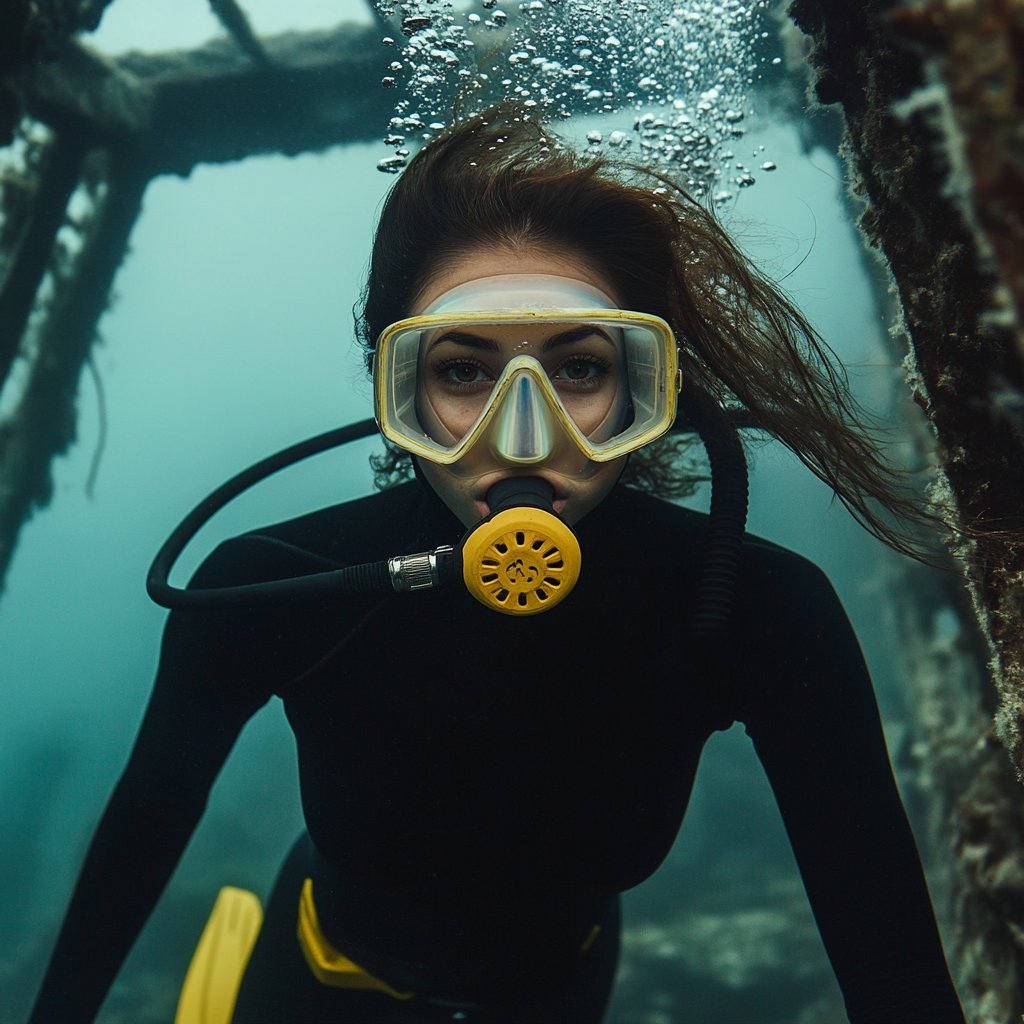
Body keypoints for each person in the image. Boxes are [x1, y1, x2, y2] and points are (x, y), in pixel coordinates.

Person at [28, 107, 967, 1024]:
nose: (522, 442)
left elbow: (897, 975)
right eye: (464, 371)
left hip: (560, 993)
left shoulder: (761, 606)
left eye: (581, 370)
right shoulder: (271, 580)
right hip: (317, 982)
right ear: (399, 391)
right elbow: (140, 839)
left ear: (646, 388)